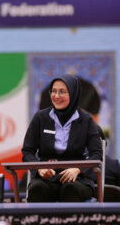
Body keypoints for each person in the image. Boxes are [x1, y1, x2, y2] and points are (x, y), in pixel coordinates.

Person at [22, 74, 102, 202]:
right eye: (53, 91)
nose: (56, 96)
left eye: (62, 92)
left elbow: (97, 153)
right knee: (37, 189)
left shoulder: (86, 120)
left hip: (78, 179)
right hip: (46, 178)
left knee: (70, 189)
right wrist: (39, 168)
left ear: (73, 93)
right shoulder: (40, 118)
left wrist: (78, 169)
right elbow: (27, 151)